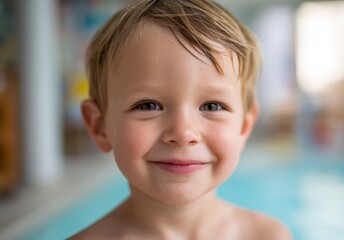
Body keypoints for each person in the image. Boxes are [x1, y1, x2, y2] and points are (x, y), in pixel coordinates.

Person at [72, 0, 292, 239]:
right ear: (99, 126)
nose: (183, 133)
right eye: (148, 105)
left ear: (244, 128)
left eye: (212, 106)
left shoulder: (268, 235)